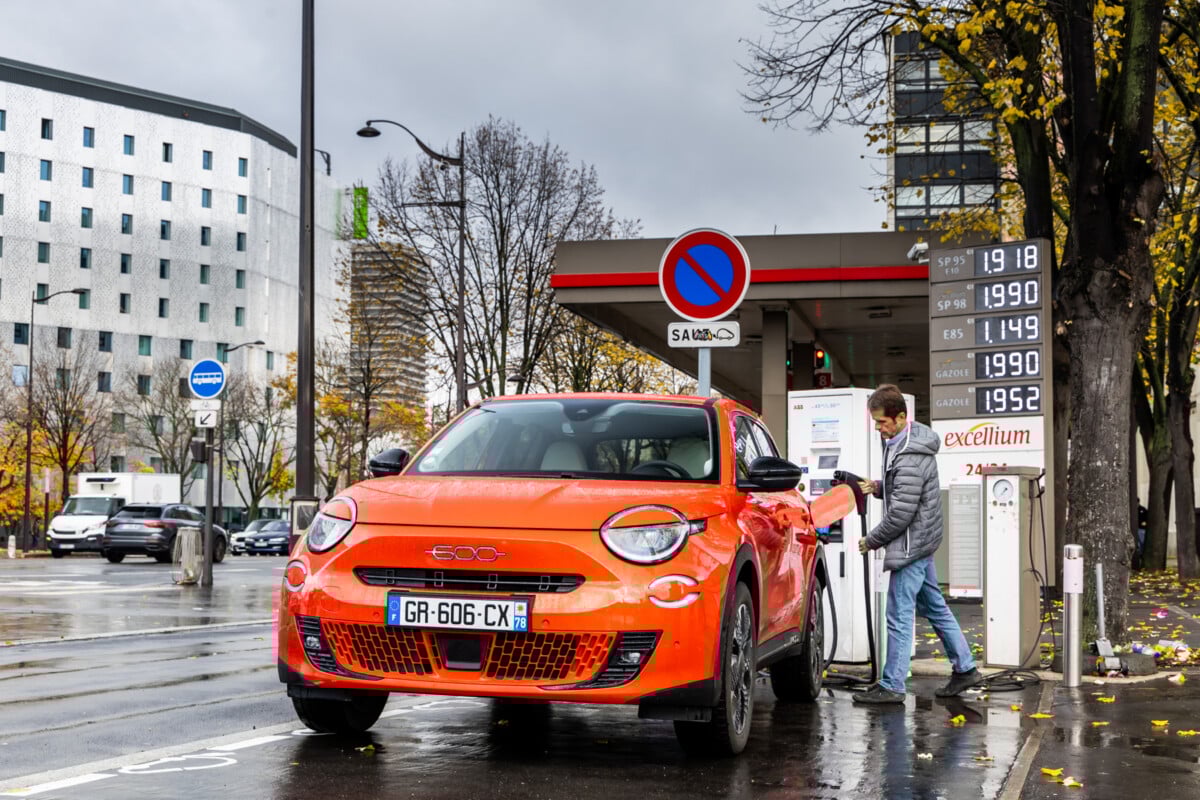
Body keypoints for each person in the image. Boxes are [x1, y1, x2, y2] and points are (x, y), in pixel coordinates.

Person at [852, 384, 980, 704]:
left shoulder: (908, 454)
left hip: (911, 544)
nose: (879, 429)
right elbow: (907, 491)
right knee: (935, 607)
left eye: (882, 422)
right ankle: (965, 667)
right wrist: (879, 487)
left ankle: (892, 685)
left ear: (900, 417)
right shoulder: (906, 441)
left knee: (898, 614)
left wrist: (872, 540)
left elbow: (901, 513)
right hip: (922, 540)